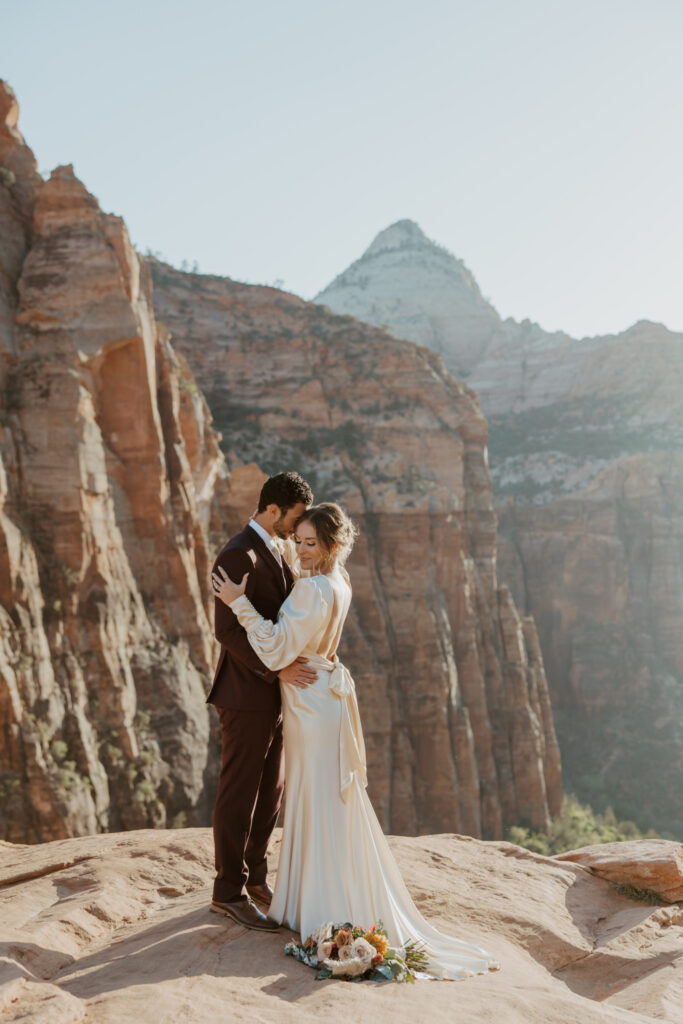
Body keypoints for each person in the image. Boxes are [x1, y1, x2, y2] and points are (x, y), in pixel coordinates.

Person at [212, 502, 501, 980]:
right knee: (322, 797)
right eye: (297, 541)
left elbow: (275, 646)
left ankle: (320, 905)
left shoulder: (311, 589)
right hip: (322, 696)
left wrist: (238, 602)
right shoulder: (339, 581)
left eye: (310, 544)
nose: (300, 551)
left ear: (330, 546)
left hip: (309, 703)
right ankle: (316, 897)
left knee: (316, 798)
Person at [207, 471, 316, 931]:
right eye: (294, 516)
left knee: (270, 791)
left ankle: (255, 879)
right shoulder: (237, 552)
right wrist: (276, 669)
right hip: (246, 695)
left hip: (275, 697)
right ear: (274, 509)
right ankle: (227, 891)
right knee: (239, 792)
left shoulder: (273, 546)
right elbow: (225, 629)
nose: (297, 525)